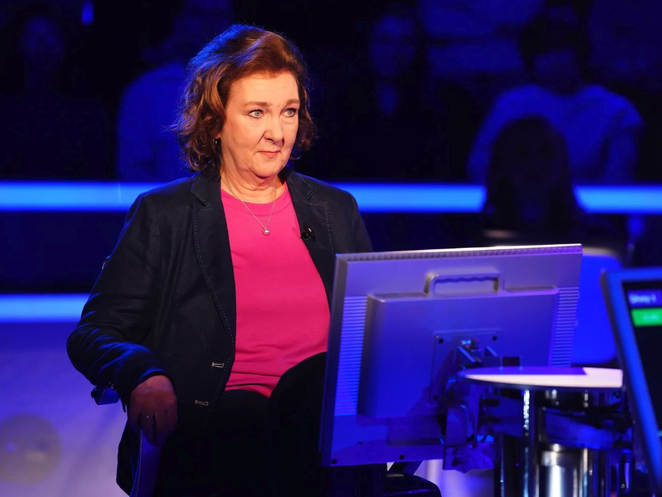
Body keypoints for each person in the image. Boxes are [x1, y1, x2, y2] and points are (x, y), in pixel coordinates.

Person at [67, 25, 377, 497]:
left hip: (326, 438)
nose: (277, 133)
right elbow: (94, 333)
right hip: (218, 434)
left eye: (289, 111)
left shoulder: (335, 210)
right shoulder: (165, 215)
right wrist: (142, 373)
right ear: (214, 122)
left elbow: (373, 332)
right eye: (256, 113)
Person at [468, 9, 643, 185]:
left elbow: (618, 179)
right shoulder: (510, 104)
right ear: (531, 60)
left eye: (563, 50)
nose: (556, 61)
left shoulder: (617, 110)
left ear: (581, 54)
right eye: (545, 52)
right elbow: (480, 166)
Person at [116, 0, 232, 182]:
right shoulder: (145, 91)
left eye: (218, 14)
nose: (208, 22)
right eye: (198, 13)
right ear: (179, 20)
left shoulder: (254, 87)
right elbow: (134, 171)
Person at [479, 115, 616, 247]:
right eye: (522, 153)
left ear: (563, 163)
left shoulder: (596, 235)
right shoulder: (475, 235)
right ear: (502, 163)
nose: (536, 163)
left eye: (546, 152)